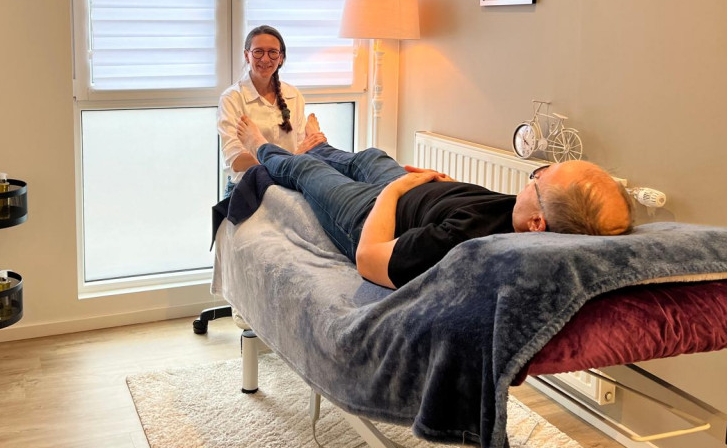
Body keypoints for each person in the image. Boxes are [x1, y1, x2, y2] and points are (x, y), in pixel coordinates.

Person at [236, 117, 634, 289]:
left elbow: (369, 259)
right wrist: (443, 187)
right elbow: (478, 208)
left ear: (537, 224)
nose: (532, 178)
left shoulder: (464, 245)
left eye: (539, 178)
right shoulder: (525, 221)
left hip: (373, 213)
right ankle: (319, 145)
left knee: (305, 169)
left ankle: (262, 146)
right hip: (412, 191)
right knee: (371, 156)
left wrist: (394, 192)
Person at [218, 25, 326, 193]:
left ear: (280, 58)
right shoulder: (232, 98)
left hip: (287, 183)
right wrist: (294, 156)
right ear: (247, 56)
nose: (265, 59)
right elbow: (237, 162)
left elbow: (301, 147)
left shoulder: (293, 95)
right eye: (258, 52)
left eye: (272, 52)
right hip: (248, 186)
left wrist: (304, 150)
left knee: (330, 160)